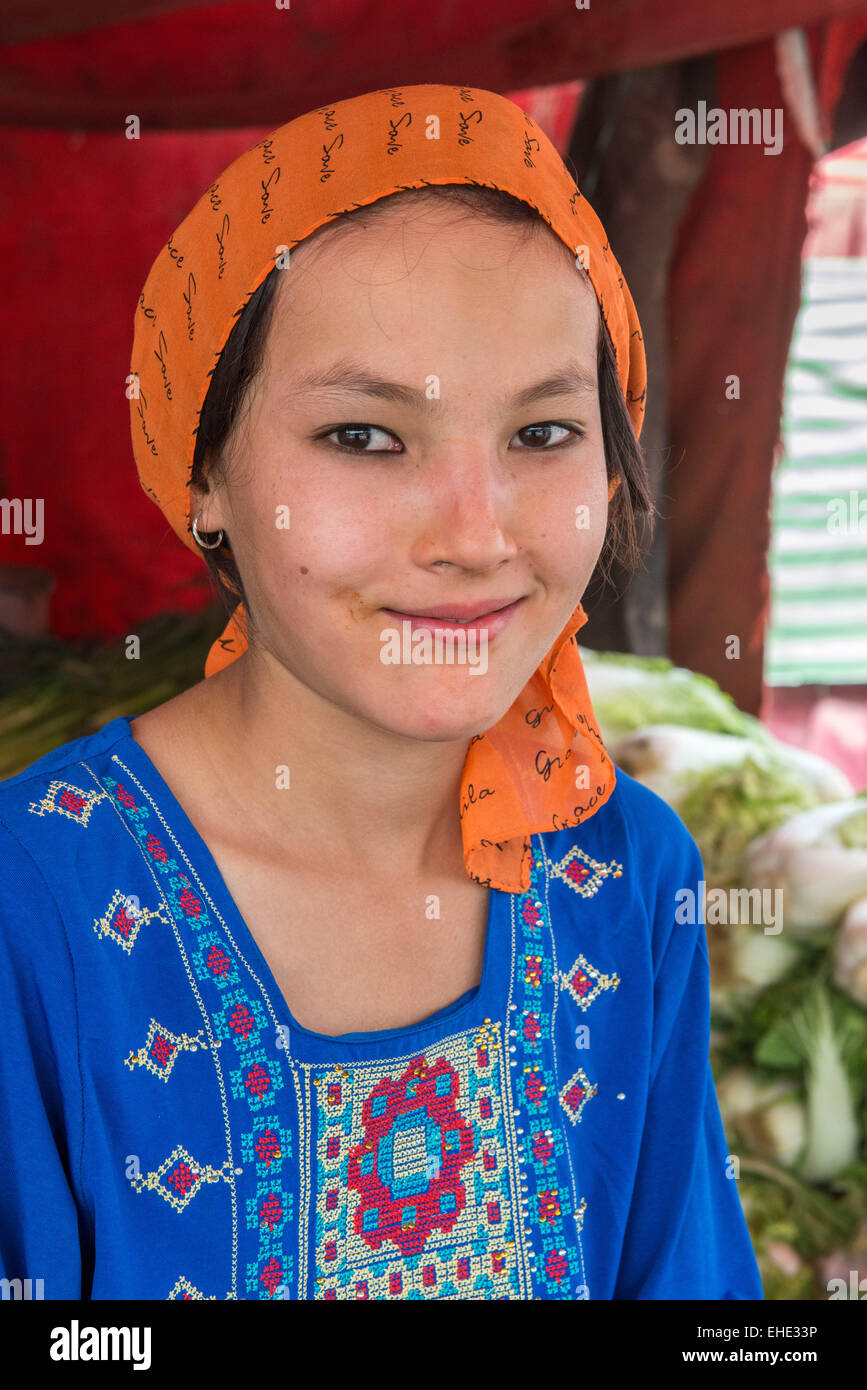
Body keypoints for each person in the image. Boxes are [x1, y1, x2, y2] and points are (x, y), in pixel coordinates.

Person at [0, 83, 763, 1301]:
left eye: (544, 434)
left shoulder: (622, 875)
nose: (474, 535)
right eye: (365, 437)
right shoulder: (34, 907)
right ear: (206, 473)